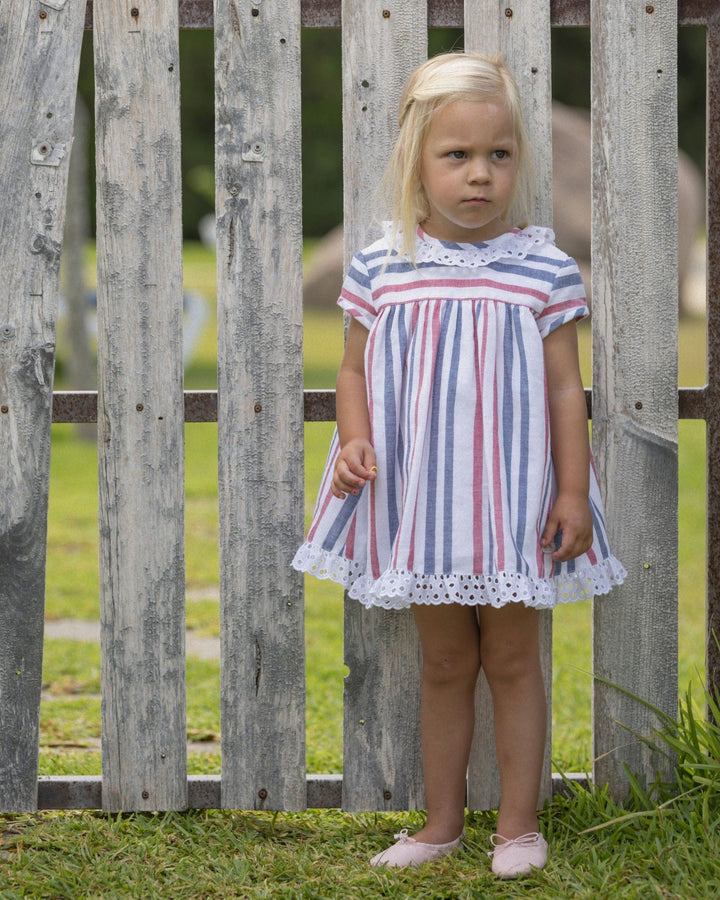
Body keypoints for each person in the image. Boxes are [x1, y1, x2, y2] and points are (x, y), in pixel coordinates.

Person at [292, 51, 625, 880]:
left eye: (499, 156)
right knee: (442, 663)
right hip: (419, 502)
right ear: (418, 161)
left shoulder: (542, 266)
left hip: (514, 503)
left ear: (518, 161)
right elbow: (353, 368)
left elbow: (561, 387)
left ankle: (517, 828)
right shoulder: (382, 263)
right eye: (458, 156)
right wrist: (356, 436)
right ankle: (441, 823)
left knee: (513, 660)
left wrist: (574, 491)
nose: (480, 174)